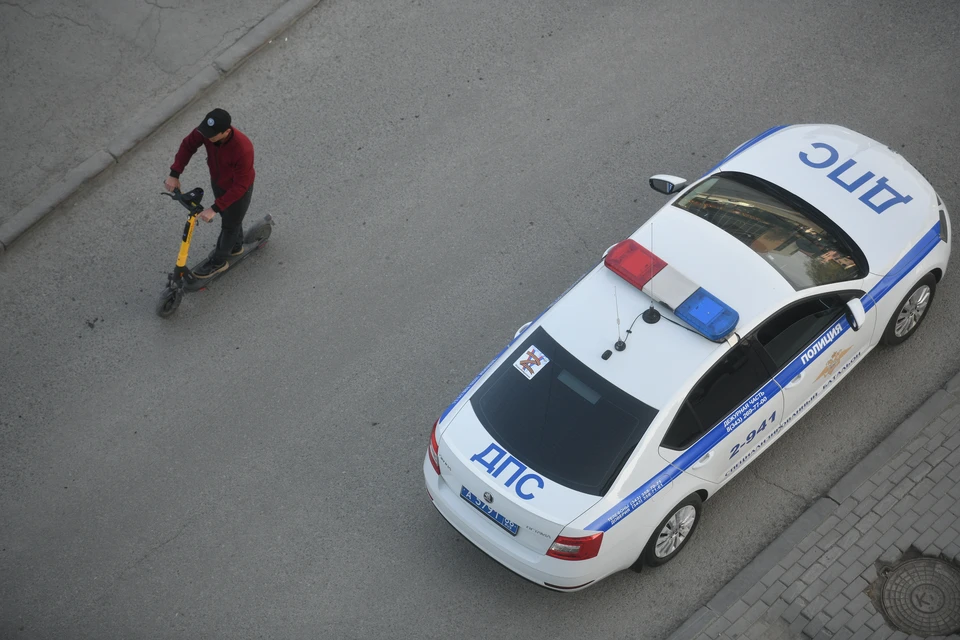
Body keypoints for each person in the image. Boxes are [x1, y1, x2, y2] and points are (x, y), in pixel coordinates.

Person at [164, 108, 256, 278]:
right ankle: (236, 247)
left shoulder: (242, 149)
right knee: (231, 219)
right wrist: (174, 173)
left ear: (226, 132)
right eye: (205, 132)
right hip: (218, 181)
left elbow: (240, 186)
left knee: (230, 225)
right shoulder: (206, 131)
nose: (206, 137)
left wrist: (215, 208)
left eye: (211, 135)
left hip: (238, 190)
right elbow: (188, 145)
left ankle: (218, 262)